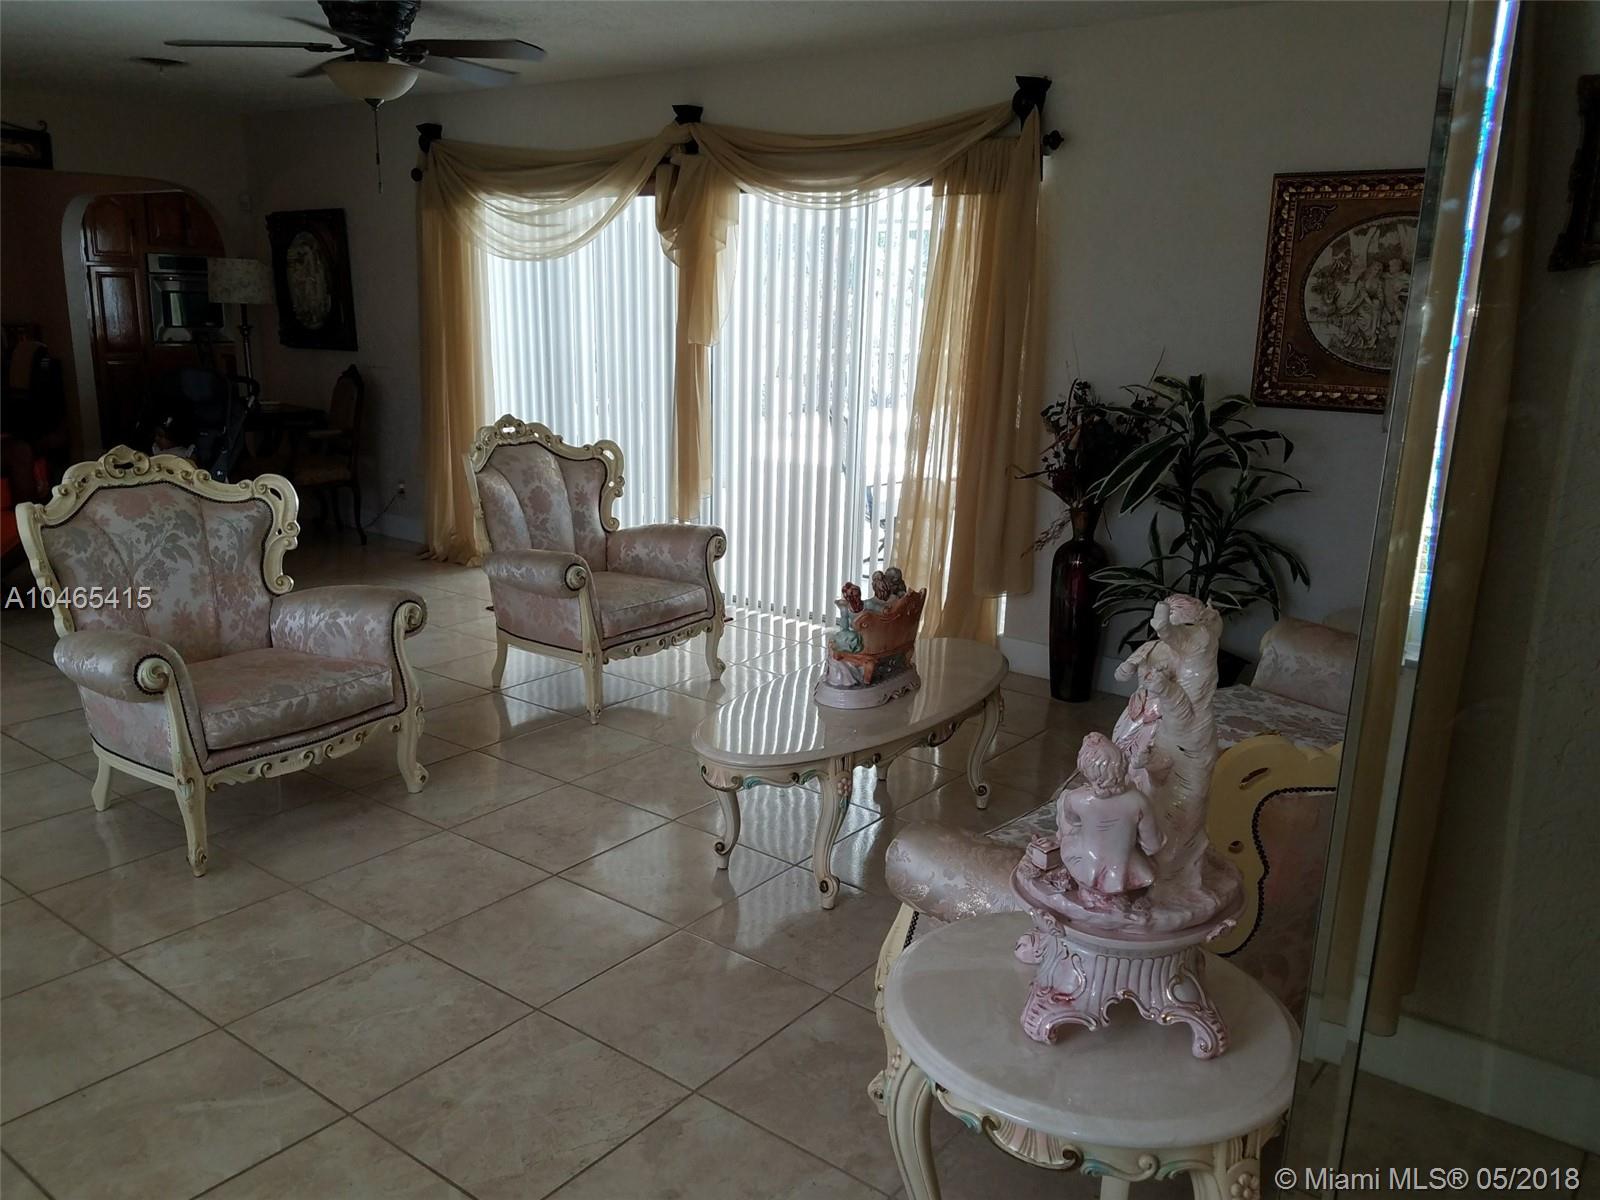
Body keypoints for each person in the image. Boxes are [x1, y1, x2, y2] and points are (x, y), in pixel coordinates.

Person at [1056, 732, 1164, 897]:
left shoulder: (1076, 798)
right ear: (1123, 763)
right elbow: (1153, 845)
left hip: (1086, 865)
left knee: (1065, 814)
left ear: (1084, 768)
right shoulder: (1138, 801)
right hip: (1125, 869)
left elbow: (1073, 823)